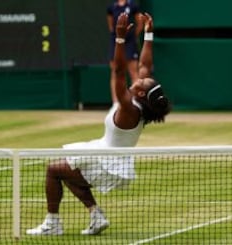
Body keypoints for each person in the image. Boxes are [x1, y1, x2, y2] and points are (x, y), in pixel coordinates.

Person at [26, 12, 171, 236]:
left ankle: (52, 223)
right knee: (67, 171)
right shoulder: (140, 102)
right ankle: (96, 215)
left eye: (141, 80)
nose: (139, 76)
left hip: (106, 163)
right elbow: (145, 64)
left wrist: (120, 39)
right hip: (104, 155)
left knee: (54, 170)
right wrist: (149, 34)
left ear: (141, 92)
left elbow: (119, 71)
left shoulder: (128, 108)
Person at [107, 0, 144, 109]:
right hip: (116, 41)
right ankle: (116, 103)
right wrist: (118, 36)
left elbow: (139, 24)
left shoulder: (133, 6)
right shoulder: (111, 7)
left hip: (130, 42)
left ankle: (136, 101)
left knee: (133, 72)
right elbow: (110, 26)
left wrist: (132, 36)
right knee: (115, 72)